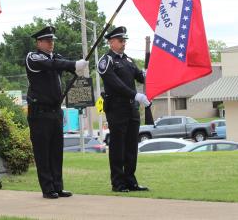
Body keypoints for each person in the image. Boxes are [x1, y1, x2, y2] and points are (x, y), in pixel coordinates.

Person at [25, 25, 88, 199]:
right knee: (43, 152)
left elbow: (60, 63)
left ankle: (58, 186)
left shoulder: (56, 57)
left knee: (56, 152)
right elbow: (51, 64)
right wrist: (72, 64)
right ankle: (48, 188)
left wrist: (76, 67)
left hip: (55, 111)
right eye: (47, 40)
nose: (51, 43)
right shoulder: (33, 57)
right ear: (39, 42)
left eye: (52, 40)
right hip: (39, 112)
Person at [97, 26, 150, 193]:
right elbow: (115, 84)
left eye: (124, 40)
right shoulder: (106, 61)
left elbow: (140, 77)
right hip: (117, 108)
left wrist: (148, 73)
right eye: (120, 40)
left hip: (131, 109)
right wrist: (135, 95)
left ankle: (130, 181)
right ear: (111, 42)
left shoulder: (128, 61)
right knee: (118, 147)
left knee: (131, 147)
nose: (123, 43)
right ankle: (118, 183)